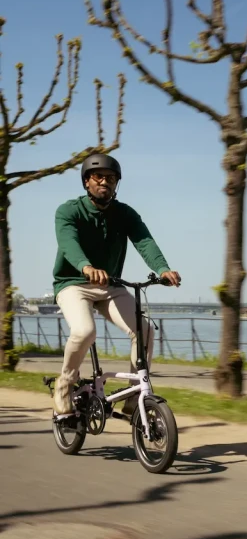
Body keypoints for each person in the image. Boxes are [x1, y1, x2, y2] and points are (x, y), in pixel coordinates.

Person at [50, 153, 181, 416]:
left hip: (110, 285)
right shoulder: (68, 211)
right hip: (73, 284)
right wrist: (86, 266)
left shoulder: (125, 214)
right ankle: (64, 384)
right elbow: (68, 243)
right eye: (99, 177)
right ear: (87, 181)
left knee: (144, 331)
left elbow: (144, 241)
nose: (105, 182)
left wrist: (162, 268)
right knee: (86, 331)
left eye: (111, 178)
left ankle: (135, 395)